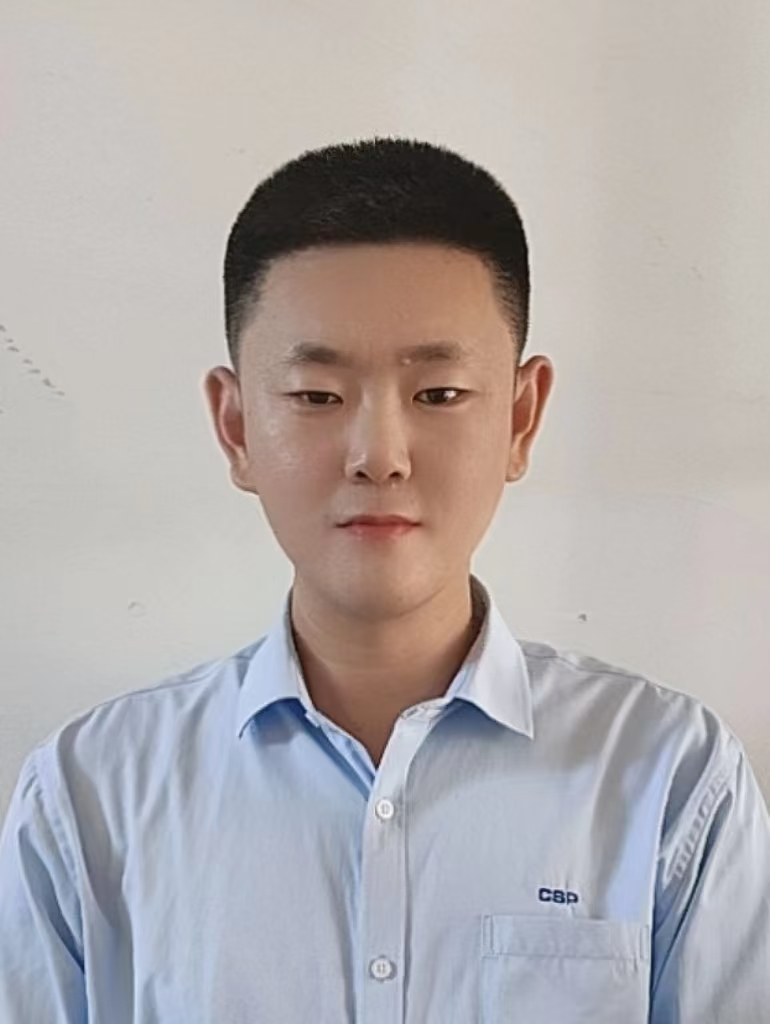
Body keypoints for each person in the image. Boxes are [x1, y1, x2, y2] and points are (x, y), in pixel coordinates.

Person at [1, 136, 768, 1023]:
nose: (380, 455)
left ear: (521, 418)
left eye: (437, 394)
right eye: (317, 396)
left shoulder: (668, 777)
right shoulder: (90, 798)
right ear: (236, 426)